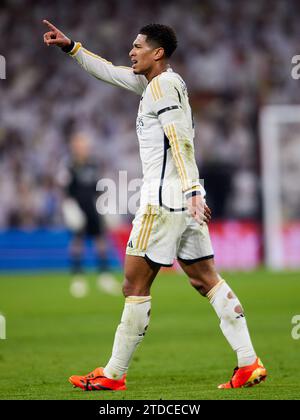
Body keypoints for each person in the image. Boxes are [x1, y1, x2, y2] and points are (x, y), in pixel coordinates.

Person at [43, 20, 267, 390]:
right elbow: (111, 73)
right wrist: (72, 48)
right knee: (204, 278)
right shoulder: (156, 84)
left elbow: (179, 140)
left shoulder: (162, 85)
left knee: (134, 285)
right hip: (181, 199)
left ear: (157, 53)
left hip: (163, 200)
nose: (131, 51)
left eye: (138, 46)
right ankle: (248, 362)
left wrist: (194, 190)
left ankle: (113, 374)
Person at [60, 132, 120, 297]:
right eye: (80, 145)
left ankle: (104, 275)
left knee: (100, 239)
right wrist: (68, 206)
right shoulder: (69, 165)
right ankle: (78, 277)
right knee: (77, 240)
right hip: (77, 207)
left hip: (93, 207)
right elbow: (64, 189)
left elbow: (99, 186)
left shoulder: (93, 164)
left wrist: (106, 205)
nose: (83, 148)